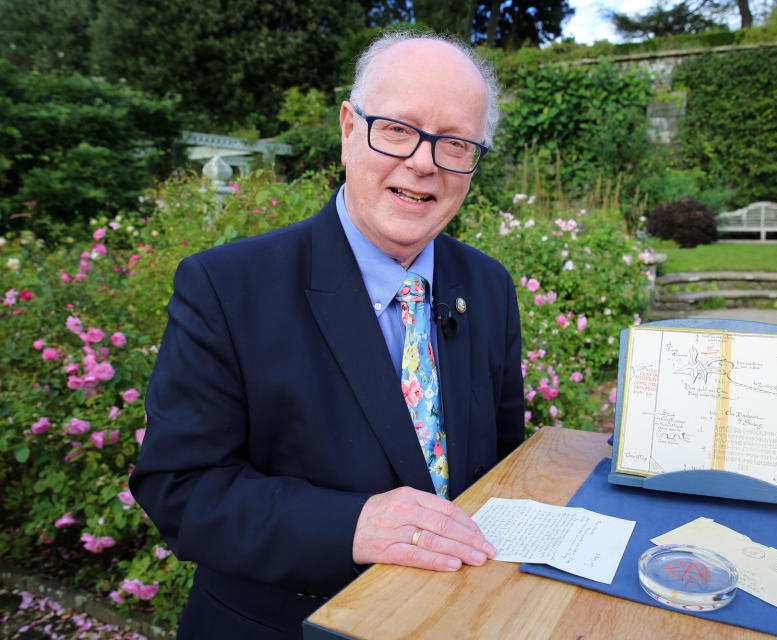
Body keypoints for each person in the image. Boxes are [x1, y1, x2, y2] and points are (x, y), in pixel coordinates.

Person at [130, 31, 524, 640]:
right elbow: (179, 487)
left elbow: (501, 457)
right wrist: (350, 524)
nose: (423, 162)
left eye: (454, 143)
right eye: (398, 129)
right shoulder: (225, 287)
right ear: (348, 129)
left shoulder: (489, 286)